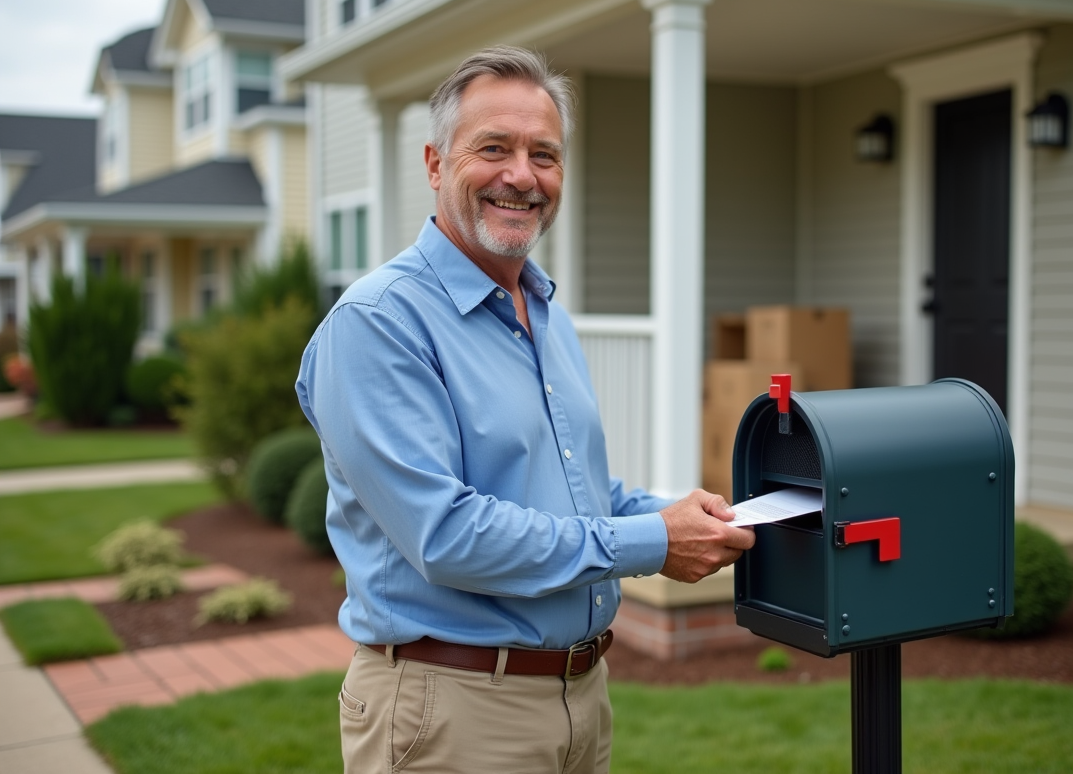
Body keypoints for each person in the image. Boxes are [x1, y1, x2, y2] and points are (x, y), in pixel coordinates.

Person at [296, 45, 756, 774]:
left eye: (545, 154)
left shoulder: (543, 313)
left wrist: (682, 517)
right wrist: (648, 542)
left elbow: (571, 493)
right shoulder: (379, 323)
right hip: (451, 710)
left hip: (579, 698)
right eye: (494, 148)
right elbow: (446, 534)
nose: (522, 175)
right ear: (435, 164)